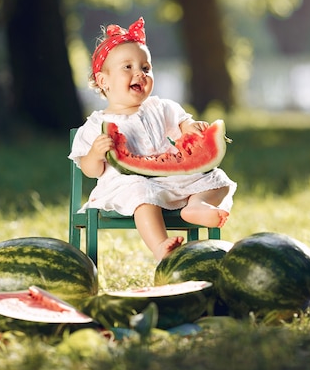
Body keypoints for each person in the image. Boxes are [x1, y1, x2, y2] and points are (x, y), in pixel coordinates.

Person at [68, 17, 236, 260]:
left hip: (170, 181)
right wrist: (95, 154)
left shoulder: (160, 108)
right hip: (125, 188)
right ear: (103, 81)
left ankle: (196, 205)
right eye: (128, 67)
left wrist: (192, 128)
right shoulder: (96, 124)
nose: (140, 73)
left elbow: (183, 125)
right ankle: (160, 246)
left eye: (145, 68)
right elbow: (90, 170)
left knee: (216, 177)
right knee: (141, 191)